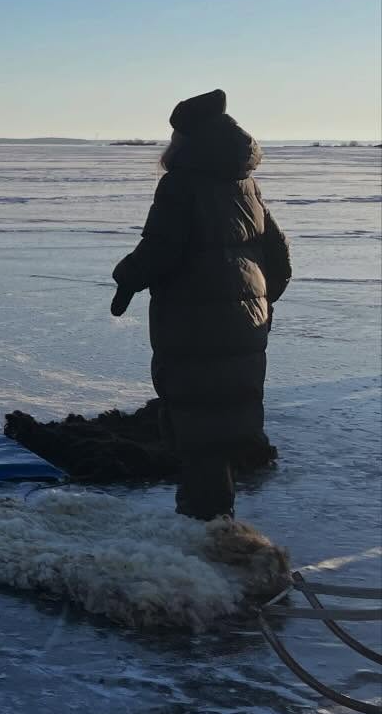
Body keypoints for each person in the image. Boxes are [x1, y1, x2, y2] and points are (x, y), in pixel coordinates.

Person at [111, 89, 291, 520]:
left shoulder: (181, 184)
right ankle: (218, 517)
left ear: (186, 140)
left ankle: (204, 525)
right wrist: (261, 300)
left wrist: (126, 279)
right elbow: (278, 251)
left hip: (195, 319)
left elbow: (162, 247)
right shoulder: (244, 182)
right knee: (228, 411)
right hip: (246, 318)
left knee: (197, 421)